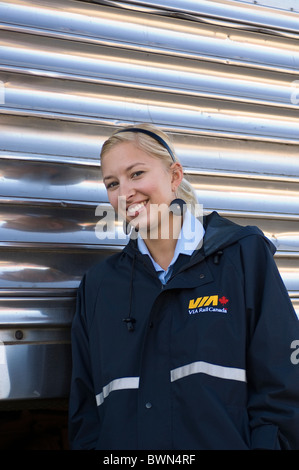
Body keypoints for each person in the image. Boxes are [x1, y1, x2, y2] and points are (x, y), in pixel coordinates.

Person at [68, 123, 299, 450]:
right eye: (112, 183)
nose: (125, 193)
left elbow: (283, 388)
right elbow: (85, 413)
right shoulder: (99, 286)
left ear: (175, 175)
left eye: (136, 174)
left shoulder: (243, 256)